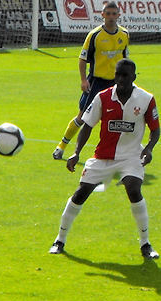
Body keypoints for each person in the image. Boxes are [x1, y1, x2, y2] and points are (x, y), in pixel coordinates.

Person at [49, 59, 159, 259]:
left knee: (133, 189)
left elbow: (155, 129)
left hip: (131, 156)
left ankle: (146, 244)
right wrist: (76, 152)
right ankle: (60, 239)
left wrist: (149, 149)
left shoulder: (146, 99)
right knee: (81, 193)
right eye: (118, 75)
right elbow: (87, 125)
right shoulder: (103, 97)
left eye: (125, 75)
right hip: (103, 156)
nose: (120, 79)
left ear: (134, 76)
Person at [52, 1, 129, 160]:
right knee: (82, 117)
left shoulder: (124, 34)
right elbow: (82, 59)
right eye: (108, 14)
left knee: (118, 119)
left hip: (115, 84)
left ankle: (117, 153)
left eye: (114, 14)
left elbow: (125, 58)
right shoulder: (94, 35)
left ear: (118, 15)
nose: (111, 17)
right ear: (102, 15)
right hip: (96, 82)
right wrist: (83, 80)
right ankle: (62, 146)